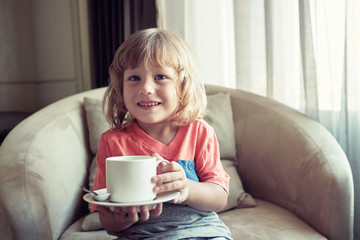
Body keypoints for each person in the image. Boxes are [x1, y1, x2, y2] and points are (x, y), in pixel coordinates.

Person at [92, 28, 232, 239]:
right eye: (134, 78)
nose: (146, 88)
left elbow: (219, 197)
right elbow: (108, 220)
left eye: (160, 76)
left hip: (201, 231)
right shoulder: (112, 142)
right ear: (120, 87)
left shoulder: (199, 132)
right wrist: (124, 218)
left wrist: (187, 188)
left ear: (182, 86)